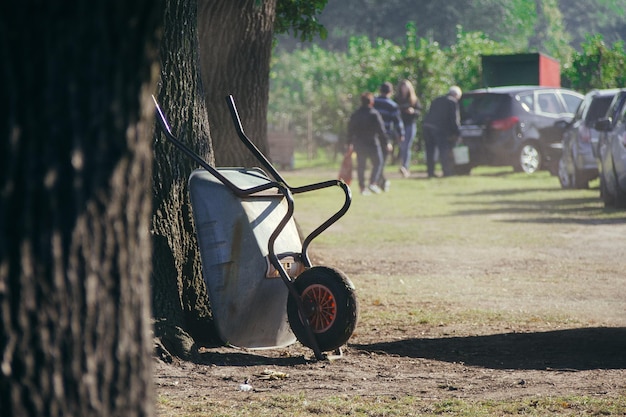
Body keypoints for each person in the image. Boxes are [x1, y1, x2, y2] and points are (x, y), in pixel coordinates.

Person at [347, 92, 389, 195]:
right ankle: (373, 182)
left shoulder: (356, 114)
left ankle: (362, 188)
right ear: (371, 102)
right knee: (378, 162)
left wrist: (349, 142)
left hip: (359, 143)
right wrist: (386, 142)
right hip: (372, 143)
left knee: (361, 166)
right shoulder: (374, 114)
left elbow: (350, 129)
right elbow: (381, 130)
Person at [422, 85, 462, 178]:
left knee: (430, 151)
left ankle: (430, 172)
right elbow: (454, 119)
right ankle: (446, 172)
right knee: (443, 150)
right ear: (456, 95)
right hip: (439, 129)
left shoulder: (437, 99)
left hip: (427, 127)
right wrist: (457, 133)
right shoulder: (452, 101)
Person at [374, 82, 404, 191]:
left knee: (376, 161)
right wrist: (401, 134)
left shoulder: (373, 102)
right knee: (381, 160)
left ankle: (379, 181)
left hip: (372, 136)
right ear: (390, 92)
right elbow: (397, 122)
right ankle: (377, 181)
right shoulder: (392, 105)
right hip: (385, 136)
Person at [394, 79, 422, 178]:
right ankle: (403, 165)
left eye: (406, 87)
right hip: (400, 125)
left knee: (407, 145)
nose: (404, 89)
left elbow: (419, 112)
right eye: (402, 87)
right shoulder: (397, 99)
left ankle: (405, 166)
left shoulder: (414, 99)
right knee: (402, 146)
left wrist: (413, 111)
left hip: (410, 124)